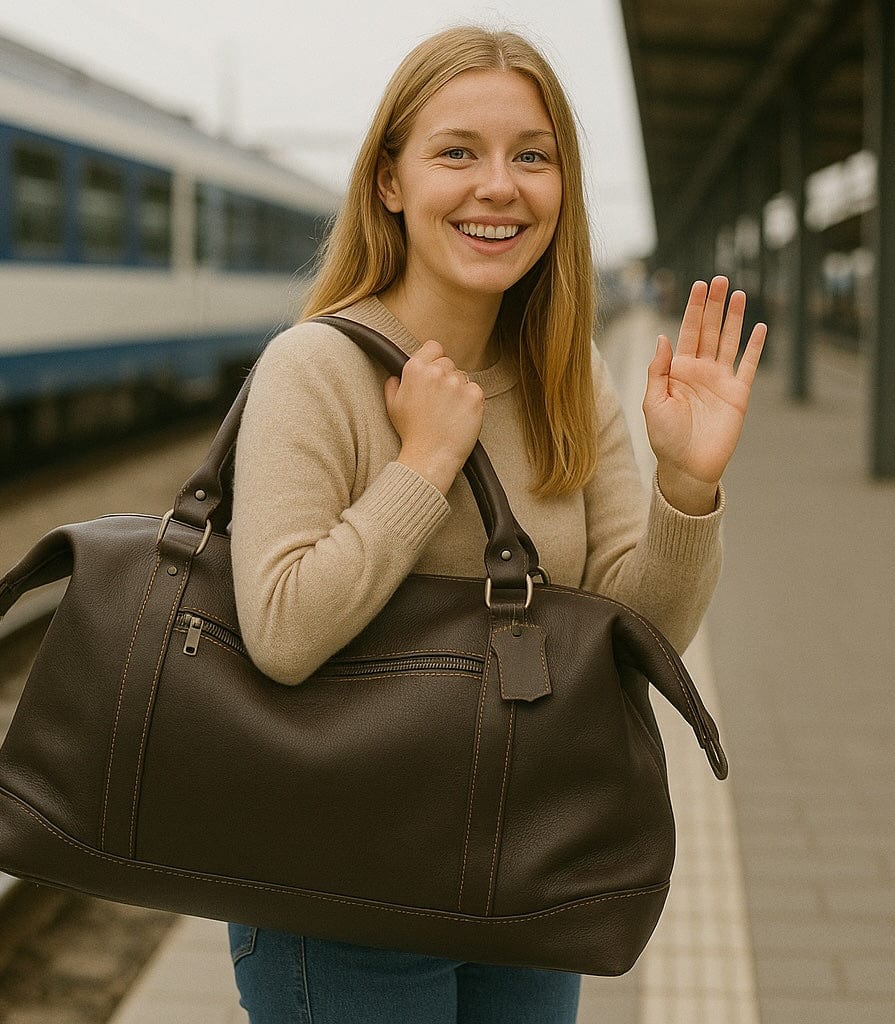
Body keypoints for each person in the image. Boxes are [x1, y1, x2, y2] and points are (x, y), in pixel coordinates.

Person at [226, 24, 765, 1024]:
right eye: (457, 152)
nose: (498, 187)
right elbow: (282, 629)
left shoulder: (569, 379)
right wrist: (424, 464)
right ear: (389, 181)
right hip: (339, 885)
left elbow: (638, 634)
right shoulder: (315, 369)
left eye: (532, 156)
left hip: (522, 868)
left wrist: (686, 486)